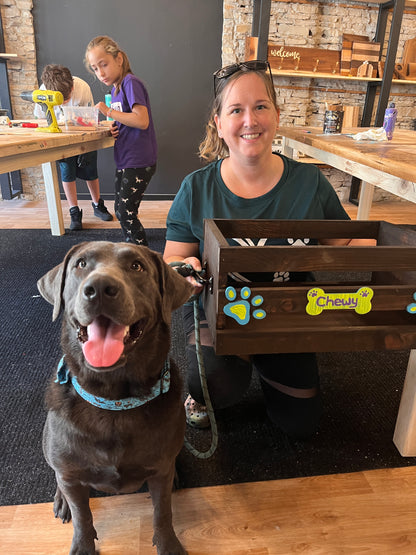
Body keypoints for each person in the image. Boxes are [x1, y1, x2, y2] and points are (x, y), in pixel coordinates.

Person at [163, 60, 374, 439]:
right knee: (212, 384)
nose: (250, 120)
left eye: (261, 106)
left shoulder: (310, 182)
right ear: (218, 122)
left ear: (276, 115)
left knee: (299, 423)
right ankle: (217, 380)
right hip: (220, 312)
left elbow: (343, 243)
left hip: (288, 312)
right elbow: (173, 259)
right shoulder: (195, 188)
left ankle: (265, 359)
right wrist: (186, 267)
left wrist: (392, 244)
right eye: (236, 110)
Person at [84, 36, 157, 246]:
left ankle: (141, 256)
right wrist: (116, 128)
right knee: (121, 210)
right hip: (126, 157)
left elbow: (142, 121)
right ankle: (131, 247)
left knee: (126, 212)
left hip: (139, 159)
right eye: (95, 69)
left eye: (104, 64)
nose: (100, 73)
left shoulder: (130, 83)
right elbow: (128, 119)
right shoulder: (116, 89)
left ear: (119, 59)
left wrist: (108, 112)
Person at [35, 64, 113, 231]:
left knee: (91, 170)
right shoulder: (43, 91)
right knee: (67, 173)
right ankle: (74, 211)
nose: (65, 102)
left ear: (72, 86)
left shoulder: (82, 87)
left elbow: (91, 116)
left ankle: (97, 204)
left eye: (67, 97)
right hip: (60, 139)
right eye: (61, 100)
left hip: (84, 135)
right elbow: (40, 118)